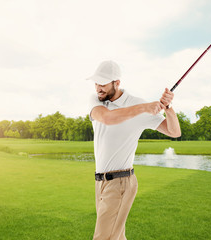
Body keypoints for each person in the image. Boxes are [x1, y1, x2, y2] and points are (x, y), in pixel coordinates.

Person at [87, 60, 181, 240]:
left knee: (103, 237)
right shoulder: (97, 100)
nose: (99, 87)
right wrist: (144, 108)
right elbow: (107, 118)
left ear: (117, 83)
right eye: (96, 82)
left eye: (103, 83)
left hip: (120, 182)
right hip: (100, 182)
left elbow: (174, 131)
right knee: (116, 236)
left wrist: (168, 108)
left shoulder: (136, 103)